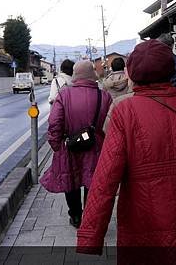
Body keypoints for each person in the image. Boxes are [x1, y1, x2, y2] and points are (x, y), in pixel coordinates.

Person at [77, 40, 176, 263]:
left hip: (143, 216)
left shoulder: (125, 111)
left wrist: (90, 236)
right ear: (170, 69)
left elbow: (105, 178)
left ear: (133, 72)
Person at [41, 60, 112, 228]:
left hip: (69, 145)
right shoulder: (104, 96)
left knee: (70, 180)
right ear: (92, 74)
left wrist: (56, 145)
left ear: (75, 74)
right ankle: (89, 215)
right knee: (92, 181)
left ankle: (75, 216)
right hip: (96, 146)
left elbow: (54, 123)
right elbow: (111, 125)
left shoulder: (64, 95)